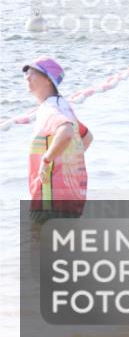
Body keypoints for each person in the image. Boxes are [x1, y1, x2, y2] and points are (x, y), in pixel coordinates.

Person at [23, 57, 91, 223]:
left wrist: (47, 161)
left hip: (50, 201)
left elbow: (66, 132)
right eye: (26, 73)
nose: (27, 76)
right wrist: (65, 162)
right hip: (69, 198)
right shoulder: (62, 106)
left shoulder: (50, 108)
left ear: (48, 80)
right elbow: (87, 137)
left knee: (39, 239)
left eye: (32, 73)